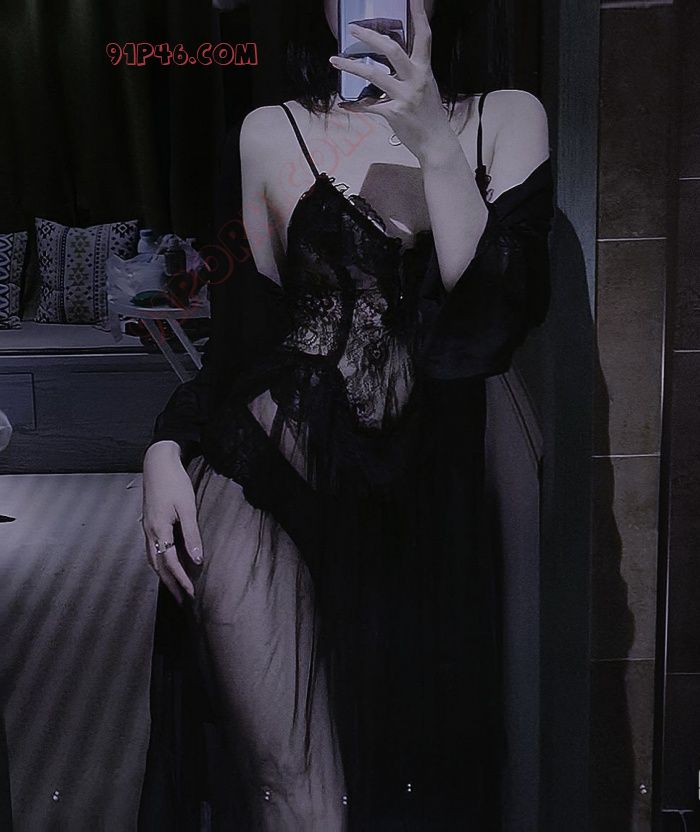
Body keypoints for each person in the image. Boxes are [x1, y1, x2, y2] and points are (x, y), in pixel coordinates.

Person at [137, 0, 554, 829]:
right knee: (294, 791)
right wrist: (164, 447)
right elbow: (243, 348)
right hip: (269, 483)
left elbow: (492, 325)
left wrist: (435, 141)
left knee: (426, 788)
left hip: (431, 501)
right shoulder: (270, 131)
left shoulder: (507, 119)